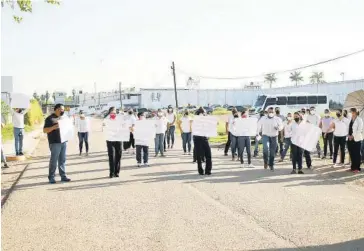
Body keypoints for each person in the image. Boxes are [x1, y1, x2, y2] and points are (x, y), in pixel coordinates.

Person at [43, 104, 71, 184]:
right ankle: (51, 177)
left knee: (62, 160)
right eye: (60, 109)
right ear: (56, 109)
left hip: (63, 141)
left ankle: (63, 176)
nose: (62, 111)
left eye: (63, 109)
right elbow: (45, 130)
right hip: (55, 142)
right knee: (54, 160)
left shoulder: (64, 118)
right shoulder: (50, 118)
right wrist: (53, 127)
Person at [257, 107, 283, 171]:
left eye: (272, 112)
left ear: (274, 112)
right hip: (265, 135)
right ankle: (266, 162)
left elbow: (281, 126)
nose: (271, 113)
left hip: (274, 136)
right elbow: (258, 126)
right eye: (269, 112)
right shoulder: (263, 118)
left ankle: (271, 164)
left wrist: (278, 128)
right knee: (265, 148)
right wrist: (257, 133)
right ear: (267, 112)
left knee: (272, 152)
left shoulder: (277, 119)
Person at [103, 107, 122, 178]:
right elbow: (104, 128)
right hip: (110, 140)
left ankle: (117, 172)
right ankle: (111, 172)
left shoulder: (119, 119)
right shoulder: (106, 119)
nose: (113, 114)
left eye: (114, 112)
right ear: (109, 112)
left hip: (118, 139)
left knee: (118, 156)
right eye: (111, 112)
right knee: (111, 156)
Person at [193, 107, 212, 175]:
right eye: (203, 113)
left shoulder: (205, 119)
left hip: (203, 137)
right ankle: (201, 170)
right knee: (199, 155)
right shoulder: (196, 119)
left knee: (207, 154)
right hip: (198, 138)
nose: (204, 114)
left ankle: (207, 170)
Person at [347, 108, 363, 173]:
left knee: (356, 154)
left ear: (355, 112)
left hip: (356, 139)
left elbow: (359, 130)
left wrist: (353, 136)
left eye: (352, 112)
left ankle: (357, 168)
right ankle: (353, 167)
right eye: (350, 112)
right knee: (351, 153)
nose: (351, 113)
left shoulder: (359, 120)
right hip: (349, 138)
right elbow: (348, 128)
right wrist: (348, 135)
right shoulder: (350, 119)